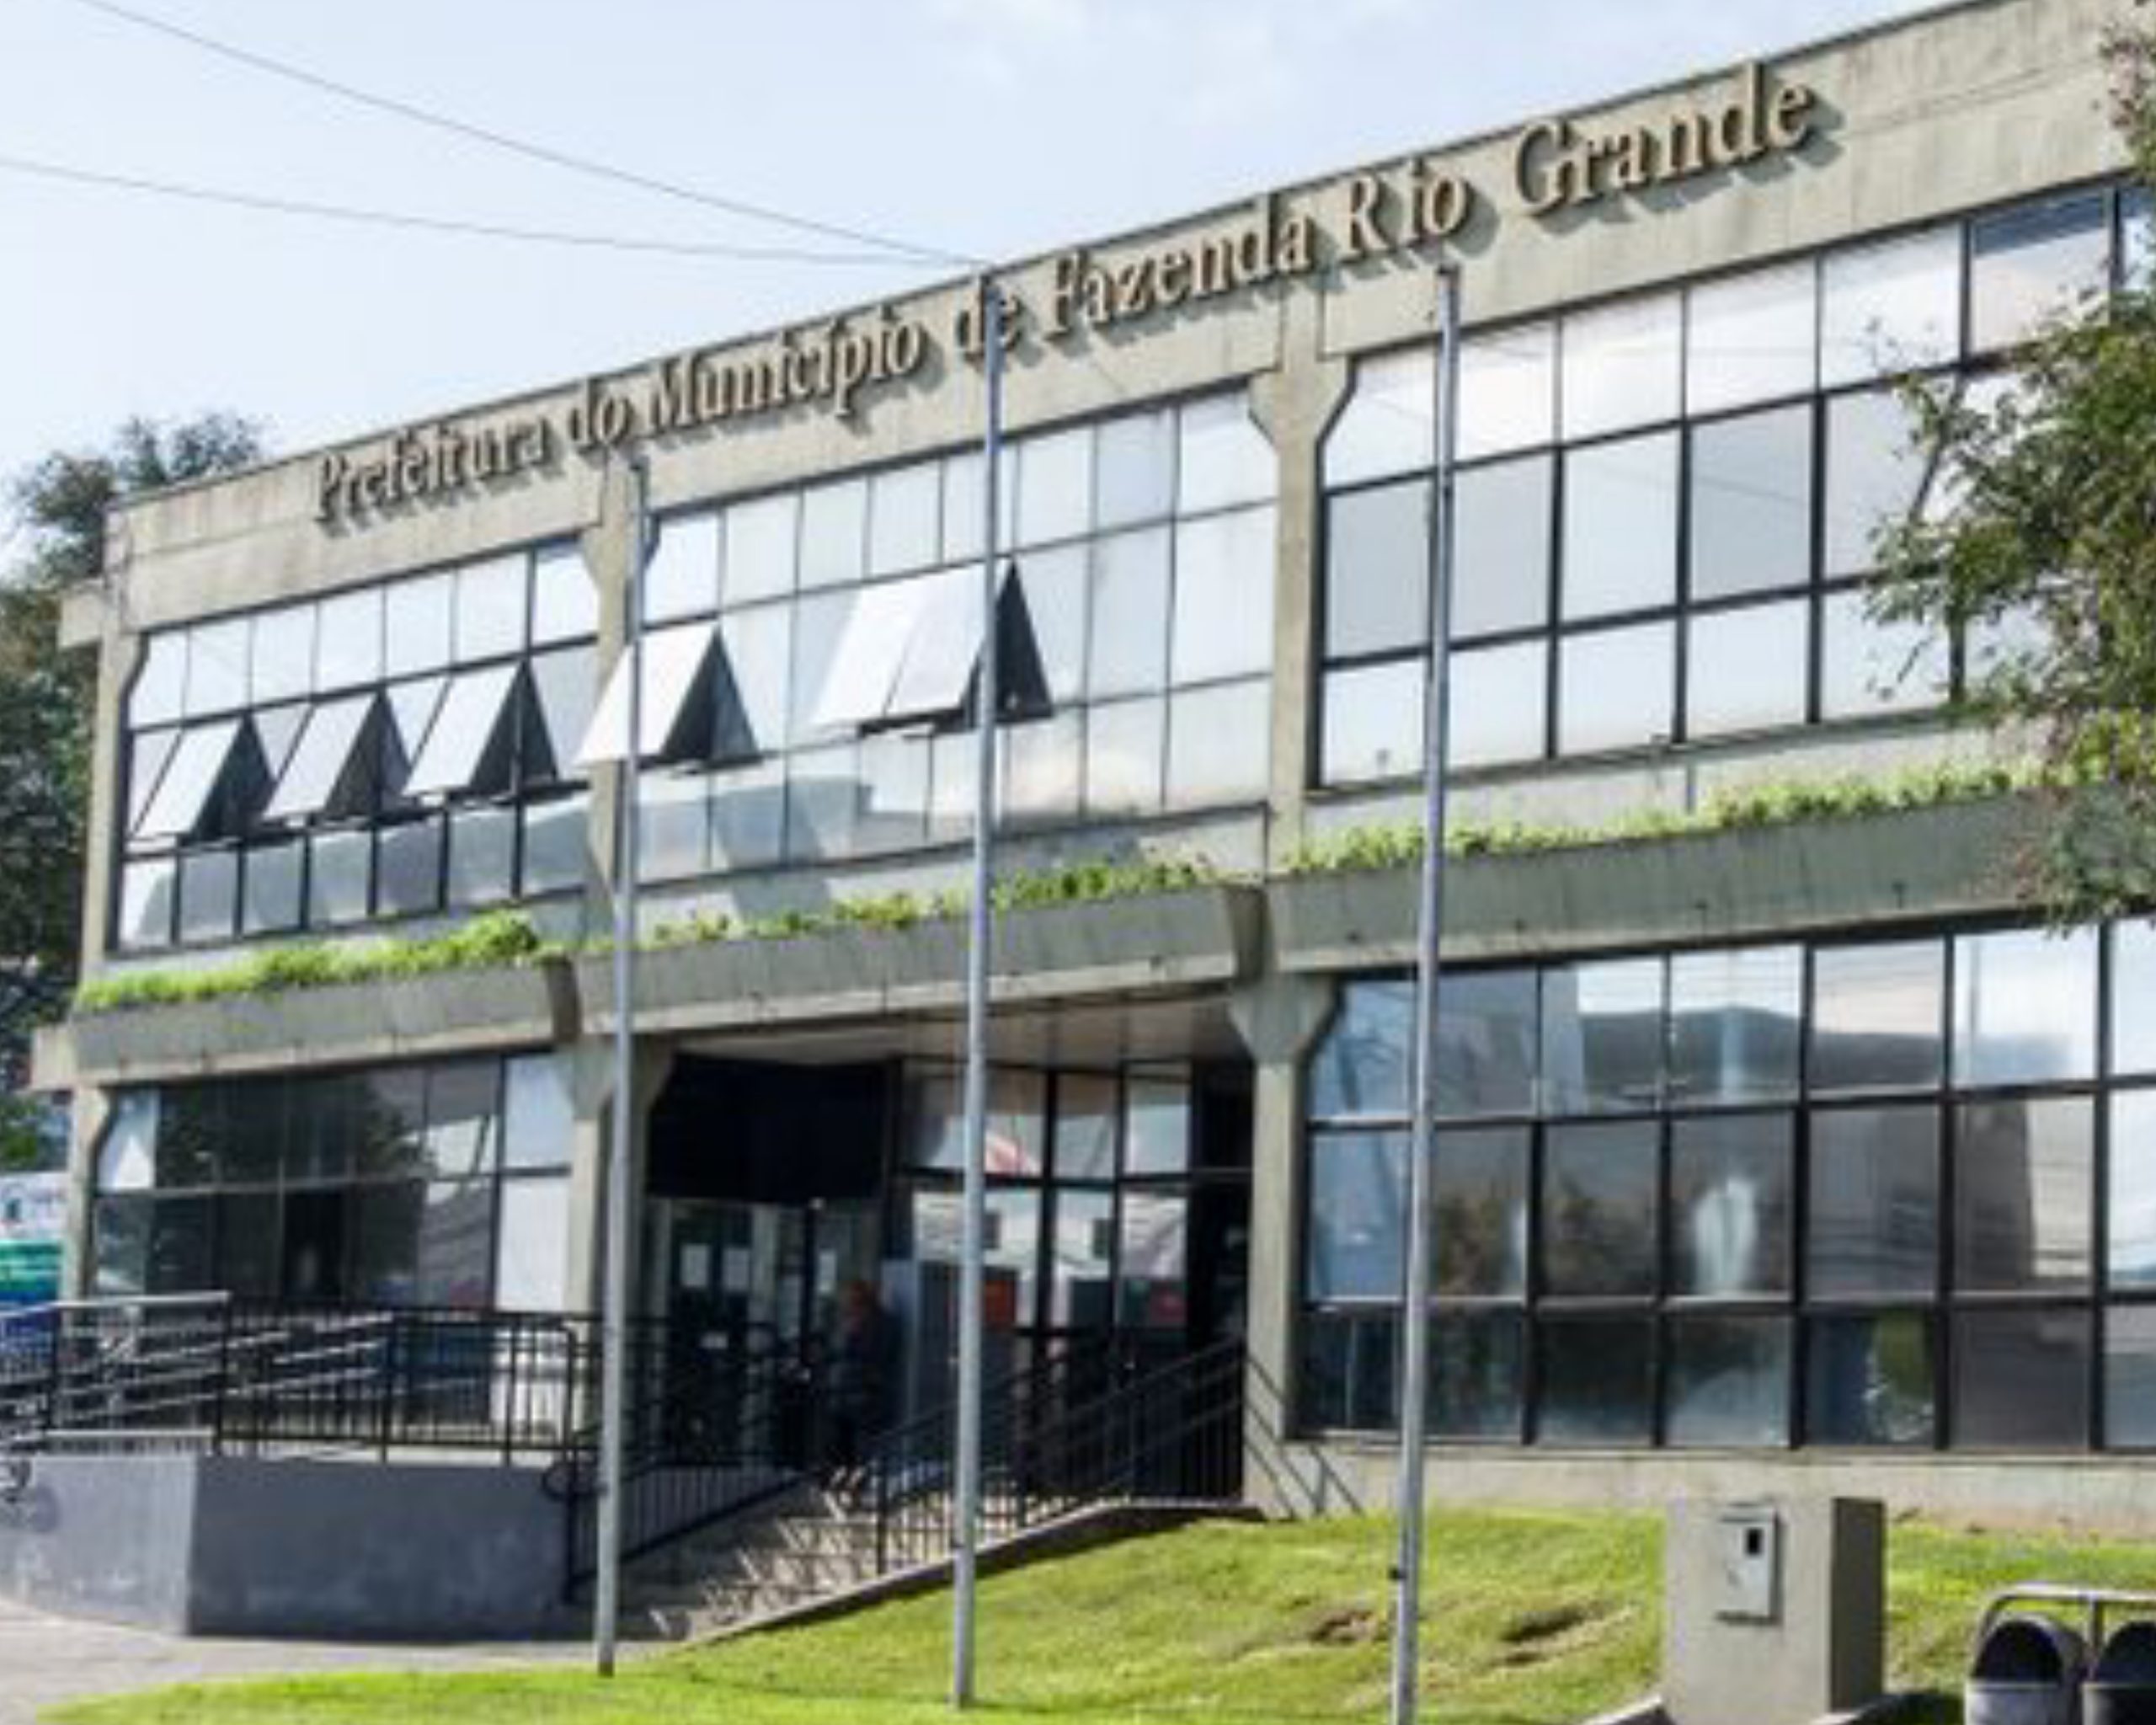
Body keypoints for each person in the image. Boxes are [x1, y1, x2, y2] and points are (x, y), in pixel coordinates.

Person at [826, 1279, 894, 1480]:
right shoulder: (849, 1320)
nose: (845, 1302)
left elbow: (876, 1355)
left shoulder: (880, 1322)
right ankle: (841, 1477)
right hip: (844, 1391)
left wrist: (851, 1338)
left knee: (861, 1441)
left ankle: (858, 1479)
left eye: (850, 1297)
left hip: (865, 1391)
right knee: (840, 1439)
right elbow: (837, 1350)